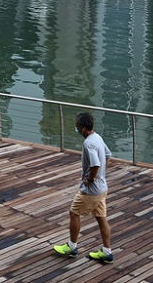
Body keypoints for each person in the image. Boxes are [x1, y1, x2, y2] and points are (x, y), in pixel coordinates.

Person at [53, 111, 114, 264]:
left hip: (92, 190)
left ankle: (72, 247)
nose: (77, 129)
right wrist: (101, 175)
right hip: (102, 188)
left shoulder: (89, 143)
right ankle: (107, 252)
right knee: (101, 218)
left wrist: (91, 178)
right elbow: (107, 155)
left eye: (77, 127)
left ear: (84, 128)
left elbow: (95, 164)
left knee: (73, 213)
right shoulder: (97, 137)